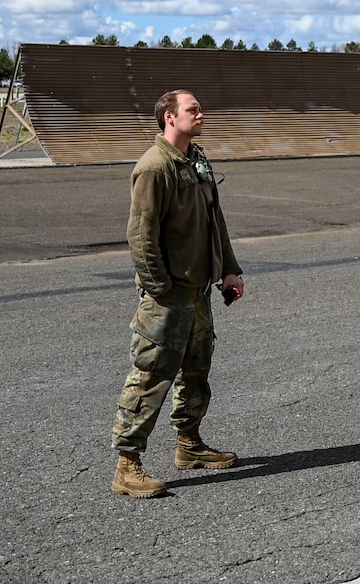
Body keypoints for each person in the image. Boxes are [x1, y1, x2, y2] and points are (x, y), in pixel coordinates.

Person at [109, 89, 246, 497]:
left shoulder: (195, 158)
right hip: (169, 296)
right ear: (170, 117)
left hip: (199, 290)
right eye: (193, 109)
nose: (201, 113)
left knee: (195, 371)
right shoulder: (154, 167)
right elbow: (141, 236)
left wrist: (229, 269)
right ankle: (127, 466)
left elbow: (213, 219)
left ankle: (189, 446)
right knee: (151, 375)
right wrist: (160, 289)